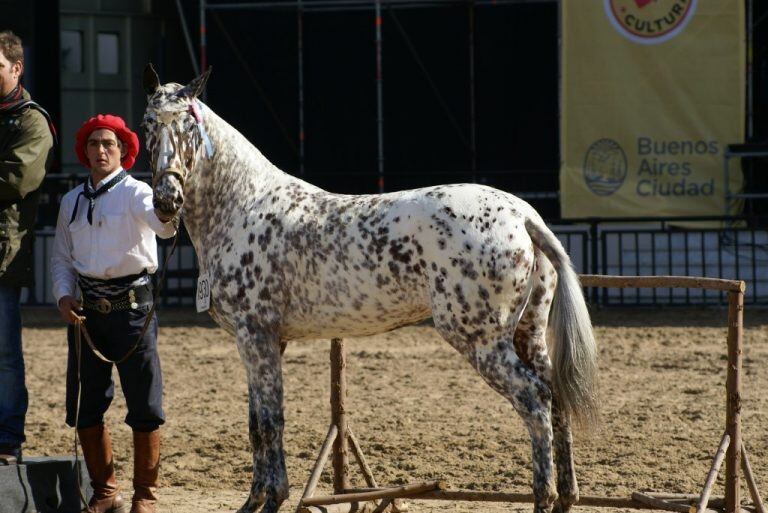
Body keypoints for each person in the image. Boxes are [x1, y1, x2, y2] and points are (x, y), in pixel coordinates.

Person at [51, 113, 175, 513]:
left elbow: (164, 227)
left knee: (144, 404)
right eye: (94, 144)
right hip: (87, 314)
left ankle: (145, 496)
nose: (101, 150)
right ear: (85, 151)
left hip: (134, 312)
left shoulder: (137, 192)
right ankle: (106, 493)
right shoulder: (70, 202)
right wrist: (63, 296)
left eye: (109, 144)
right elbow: (62, 259)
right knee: (87, 403)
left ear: (122, 151)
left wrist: (168, 205)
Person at [0, 29, 55, 465]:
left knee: (4, 353)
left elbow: (15, 179)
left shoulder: (32, 121)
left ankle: (7, 441)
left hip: (2, 258)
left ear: (17, 68)